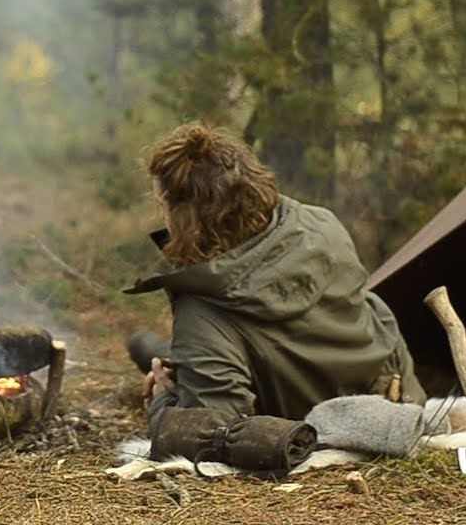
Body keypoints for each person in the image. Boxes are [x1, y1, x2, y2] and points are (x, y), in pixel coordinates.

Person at [125, 121, 426, 468]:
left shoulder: (202, 310)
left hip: (321, 429)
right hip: (397, 393)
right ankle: (158, 355)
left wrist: (163, 402)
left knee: (156, 359)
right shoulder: (319, 223)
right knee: (148, 347)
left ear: (185, 217)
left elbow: (213, 431)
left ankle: (159, 360)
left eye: (162, 203)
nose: (160, 213)